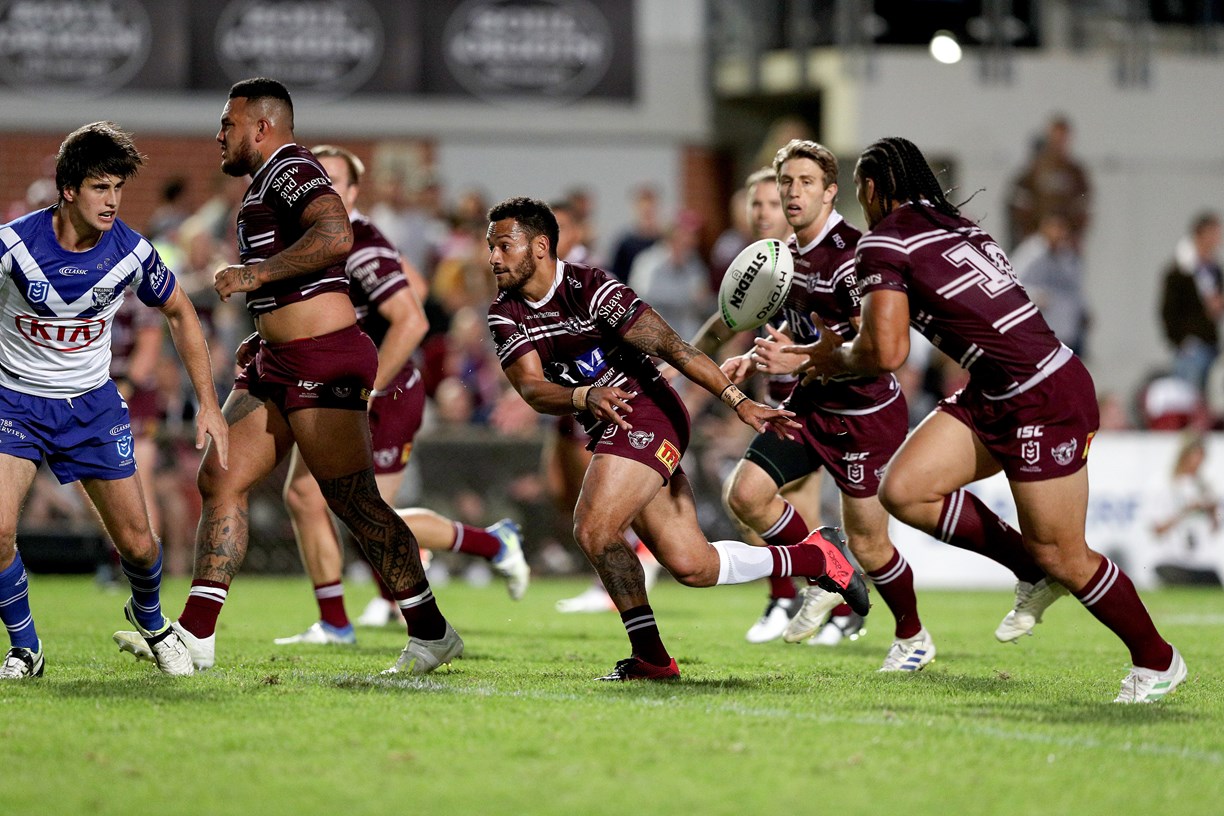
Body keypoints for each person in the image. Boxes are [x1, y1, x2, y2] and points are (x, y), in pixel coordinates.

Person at [790, 135, 1186, 703]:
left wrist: (835, 359)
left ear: (872, 188)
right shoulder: (957, 225)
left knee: (1064, 554)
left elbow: (888, 351)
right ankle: (1031, 569)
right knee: (904, 490)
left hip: (1041, 395)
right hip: (1000, 387)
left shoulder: (883, 241)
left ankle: (1158, 660)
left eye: (859, 190)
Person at [113, 78, 459, 676]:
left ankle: (432, 631)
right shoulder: (263, 182)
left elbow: (336, 234)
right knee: (220, 477)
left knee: (354, 502)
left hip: (322, 359)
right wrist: (266, 324)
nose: (219, 134)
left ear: (262, 127)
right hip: (276, 361)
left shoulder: (291, 168)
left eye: (228, 123)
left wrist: (255, 275)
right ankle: (196, 635)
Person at [485, 196, 870, 681]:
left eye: (504, 245)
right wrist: (584, 395)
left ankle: (652, 658)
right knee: (693, 566)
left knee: (593, 528)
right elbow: (531, 389)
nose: (493, 257)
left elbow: (675, 349)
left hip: (650, 411)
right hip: (610, 425)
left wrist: (739, 401)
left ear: (540, 247)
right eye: (491, 246)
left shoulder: (593, 288)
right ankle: (817, 557)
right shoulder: (505, 313)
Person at [273, 145, 528, 646]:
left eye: (333, 180)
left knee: (370, 517)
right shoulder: (315, 241)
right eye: (314, 178)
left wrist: (368, 385)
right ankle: (335, 623)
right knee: (303, 495)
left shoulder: (359, 239)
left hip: (383, 392)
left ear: (352, 192)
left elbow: (412, 318)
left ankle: (491, 543)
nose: (319, 188)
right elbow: (412, 285)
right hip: (334, 390)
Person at [0, 121, 228, 679]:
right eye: (100, 187)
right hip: (16, 402)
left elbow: (180, 312)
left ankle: (151, 621)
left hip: (91, 407)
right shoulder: (13, 246)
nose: (113, 201)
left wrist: (208, 401)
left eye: (118, 188)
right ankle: (26, 648)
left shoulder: (130, 250)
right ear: (68, 189)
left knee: (140, 546)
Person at [693, 145, 930, 670]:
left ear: (830, 192)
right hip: (810, 404)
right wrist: (756, 358)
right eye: (786, 182)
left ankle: (912, 636)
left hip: (864, 414)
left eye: (806, 182)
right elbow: (787, 327)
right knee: (746, 494)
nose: (793, 192)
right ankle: (823, 566)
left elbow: (877, 350)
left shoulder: (855, 256)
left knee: (870, 545)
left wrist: (795, 359)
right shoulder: (786, 254)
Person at [690, 165, 826, 645]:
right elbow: (725, 323)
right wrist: (680, 361)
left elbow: (840, 337)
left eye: (774, 203)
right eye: (757, 204)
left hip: (824, 403)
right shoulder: (765, 264)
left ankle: (808, 595)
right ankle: (808, 597)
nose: (765, 212)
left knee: (759, 502)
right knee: (766, 508)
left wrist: (795, 357)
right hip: (781, 400)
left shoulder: (811, 260)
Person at [1006, 115, 1091, 251]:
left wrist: (1073, 233)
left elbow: (1083, 205)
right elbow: (1020, 202)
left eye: (1062, 138)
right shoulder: (1035, 169)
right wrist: (1030, 232)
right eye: (1056, 137)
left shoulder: (1075, 172)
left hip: (1065, 242)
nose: (1059, 142)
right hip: (1037, 239)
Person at [1159, 211, 1223, 392]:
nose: (1217, 239)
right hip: (1190, 348)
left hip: (1210, 344)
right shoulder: (1180, 270)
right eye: (1214, 233)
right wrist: (1181, 341)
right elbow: (1168, 310)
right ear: (1200, 234)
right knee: (1187, 396)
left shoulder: (1213, 270)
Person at [1150, 430, 1223, 587]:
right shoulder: (1165, 483)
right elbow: (1157, 528)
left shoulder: (1205, 486)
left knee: (1212, 580)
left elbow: (1214, 529)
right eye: (1195, 456)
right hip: (1171, 559)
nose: (1198, 462)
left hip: (1198, 560)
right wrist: (1187, 510)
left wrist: (1212, 511)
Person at [1009, 211, 1087, 355]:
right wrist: (1035, 295)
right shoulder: (1030, 253)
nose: (1058, 233)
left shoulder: (1067, 256)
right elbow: (1011, 283)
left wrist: (1083, 309)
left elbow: (1073, 288)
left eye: (1062, 228)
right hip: (1038, 330)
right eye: (1055, 227)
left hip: (1066, 330)